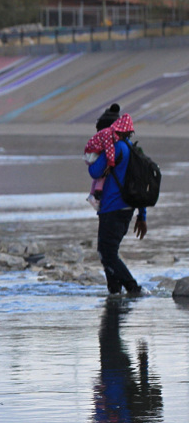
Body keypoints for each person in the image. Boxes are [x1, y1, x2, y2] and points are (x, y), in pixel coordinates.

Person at [86, 106, 147, 295]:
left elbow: (94, 171)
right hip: (127, 209)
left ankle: (133, 288)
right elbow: (139, 183)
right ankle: (114, 292)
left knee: (107, 253)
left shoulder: (115, 148)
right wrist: (142, 216)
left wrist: (95, 156)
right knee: (108, 252)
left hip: (112, 208)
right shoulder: (132, 148)